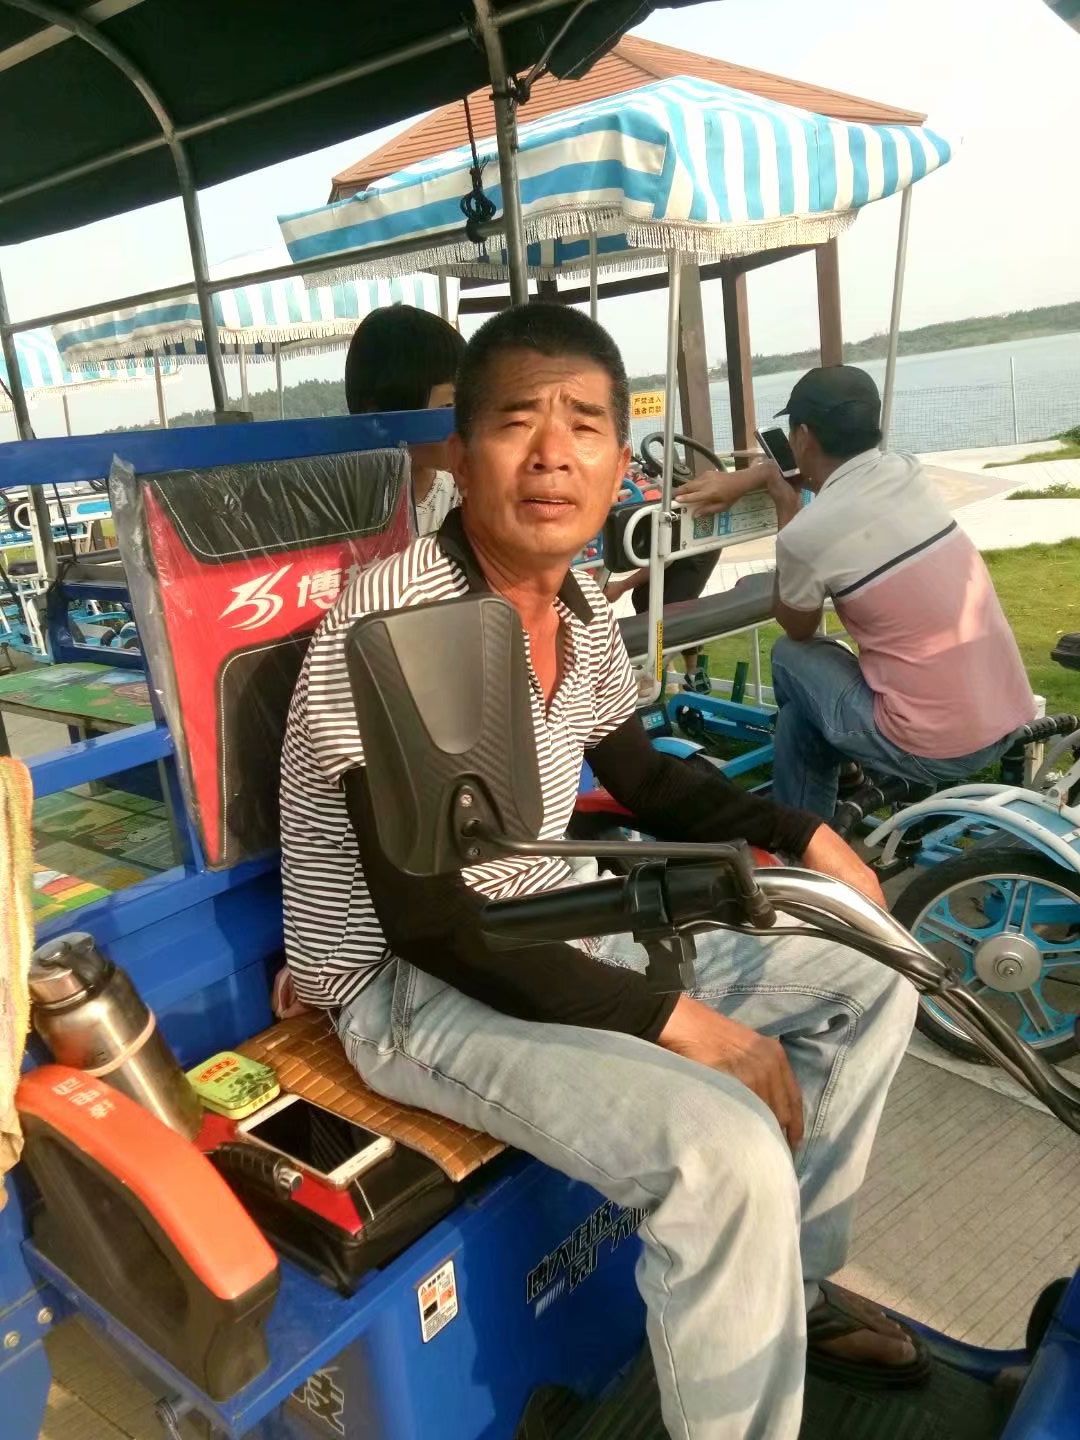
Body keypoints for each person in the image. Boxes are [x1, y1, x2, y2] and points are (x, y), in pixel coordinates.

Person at [281, 307, 922, 1440]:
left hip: (543, 924)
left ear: (622, 461)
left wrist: (804, 834)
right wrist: (686, 1022)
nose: (552, 455)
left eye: (584, 425)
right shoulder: (396, 625)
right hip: (409, 988)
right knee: (723, 1153)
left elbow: (643, 773)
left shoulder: (573, 604)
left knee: (872, 973)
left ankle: (794, 1284)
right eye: (516, 423)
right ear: (459, 451)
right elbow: (432, 925)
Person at [679, 366, 1037, 820]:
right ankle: (806, 836)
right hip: (1006, 714)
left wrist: (785, 506)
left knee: (789, 655)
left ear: (802, 437)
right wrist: (756, 477)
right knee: (801, 718)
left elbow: (797, 627)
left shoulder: (808, 534)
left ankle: (823, 806)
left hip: (932, 748)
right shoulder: (906, 470)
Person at [344, 303, 466, 536]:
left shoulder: (463, 497)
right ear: (379, 419)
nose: (463, 423)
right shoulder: (347, 508)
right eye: (448, 406)